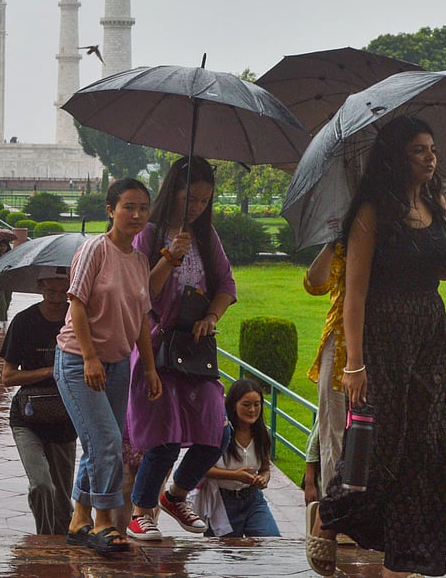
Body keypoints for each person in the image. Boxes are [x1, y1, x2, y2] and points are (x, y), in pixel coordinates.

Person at [307, 116, 446, 578]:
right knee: (381, 448)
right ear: (395, 157)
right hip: (384, 336)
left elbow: (434, 272)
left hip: (427, 334)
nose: (430, 157)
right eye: (419, 150)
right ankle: (329, 514)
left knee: (427, 449)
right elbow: (356, 294)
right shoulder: (370, 212)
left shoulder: (435, 204)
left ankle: (407, 557)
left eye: (432, 149)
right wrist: (356, 364)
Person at [125, 156, 236, 542]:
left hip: (194, 348)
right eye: (190, 198)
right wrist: (170, 256)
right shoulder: (150, 235)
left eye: (204, 201)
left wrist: (212, 317)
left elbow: (226, 286)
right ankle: (140, 512)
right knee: (165, 434)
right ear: (172, 192)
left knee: (216, 431)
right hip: (156, 344)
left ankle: (175, 495)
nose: (197, 208)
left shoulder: (207, 238)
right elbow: (144, 292)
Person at [56, 178, 162, 554]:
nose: (136, 215)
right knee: (106, 443)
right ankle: (104, 522)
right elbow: (77, 304)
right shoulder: (94, 250)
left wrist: (148, 368)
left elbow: (141, 320)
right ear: (110, 210)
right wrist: (88, 357)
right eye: (128, 206)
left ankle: (79, 519)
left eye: (143, 208)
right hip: (79, 362)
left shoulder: (140, 260)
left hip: (118, 365)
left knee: (98, 444)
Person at [0, 275, 77, 535]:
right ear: (39, 286)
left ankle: (61, 552)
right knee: (42, 485)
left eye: (62, 292)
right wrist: (47, 372)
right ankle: (43, 541)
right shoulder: (24, 322)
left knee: (63, 502)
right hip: (28, 415)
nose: (56, 298)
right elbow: (7, 376)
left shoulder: (78, 320)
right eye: (50, 291)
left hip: (65, 418)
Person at [193, 379, 280, 538]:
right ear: (234, 404)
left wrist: (263, 479)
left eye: (257, 404)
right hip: (223, 501)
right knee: (226, 554)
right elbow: (202, 469)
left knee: (270, 540)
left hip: (253, 499)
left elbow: (265, 468)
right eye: (246, 405)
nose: (252, 410)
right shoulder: (219, 433)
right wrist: (235, 475)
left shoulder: (262, 435)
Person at [303, 241, 348, 499]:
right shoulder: (344, 241)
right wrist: (333, 241)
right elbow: (314, 284)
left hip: (387, 342)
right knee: (334, 432)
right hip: (340, 343)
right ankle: (335, 510)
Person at [0, 240, 13, 326]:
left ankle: (4, 317)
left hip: (9, 281)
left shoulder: (12, 256)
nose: (2, 248)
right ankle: (0, 320)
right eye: (1, 246)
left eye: (4, 246)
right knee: (1, 300)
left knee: (8, 300)